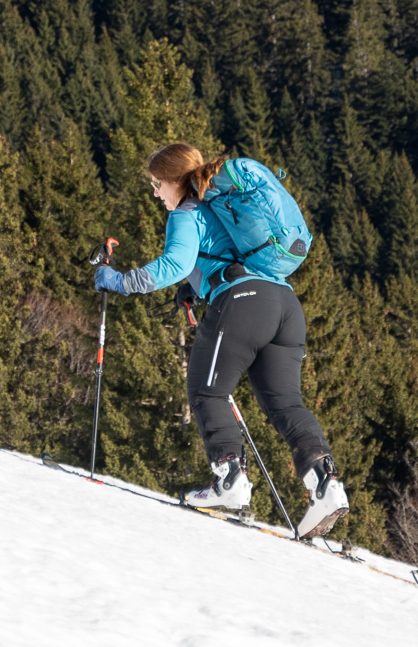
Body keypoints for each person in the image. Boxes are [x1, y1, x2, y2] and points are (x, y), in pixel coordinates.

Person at [93, 142, 351, 540]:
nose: (157, 193)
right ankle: (326, 485)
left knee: (207, 391)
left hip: (244, 303)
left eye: (157, 184)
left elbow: (174, 263)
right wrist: (196, 288)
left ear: (175, 179)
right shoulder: (223, 208)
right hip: (284, 305)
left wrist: (123, 281)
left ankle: (230, 480)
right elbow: (221, 259)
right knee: (285, 404)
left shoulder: (188, 211)